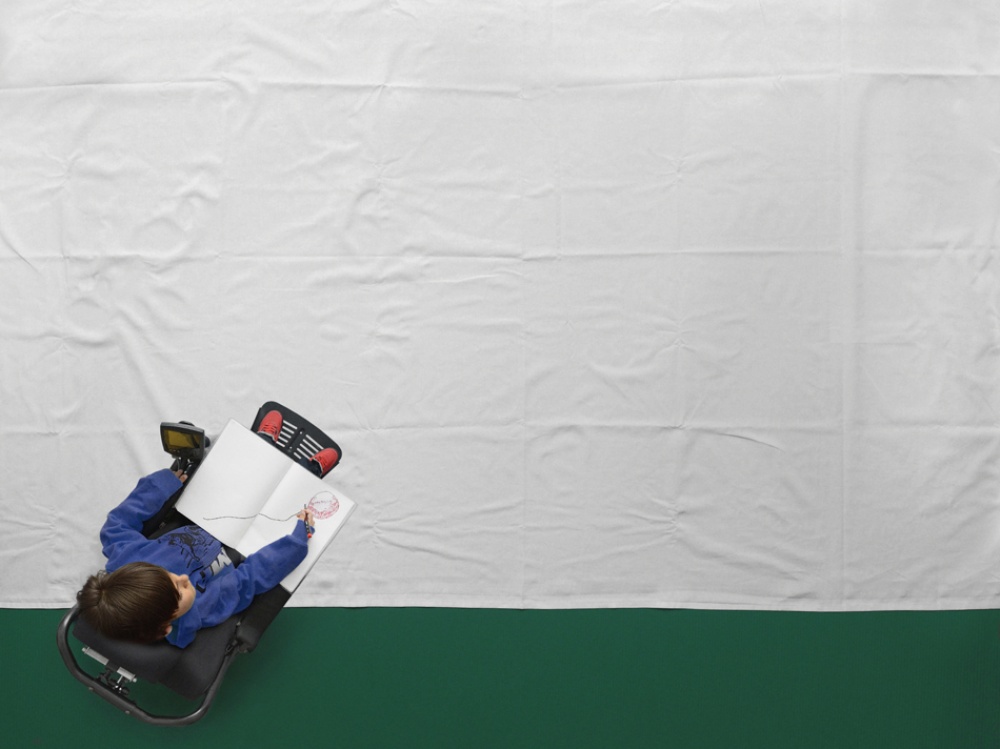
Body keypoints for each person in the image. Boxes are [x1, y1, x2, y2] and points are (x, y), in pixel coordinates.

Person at [76, 411, 336, 647]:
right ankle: (308, 470)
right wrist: (295, 543)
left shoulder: (127, 561)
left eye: (171, 577)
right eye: (182, 590)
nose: (183, 578)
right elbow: (249, 580)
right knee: (275, 500)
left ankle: (263, 442)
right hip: (240, 538)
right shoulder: (204, 609)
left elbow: (118, 522)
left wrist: (160, 486)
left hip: (200, 516)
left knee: (235, 479)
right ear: (167, 627)